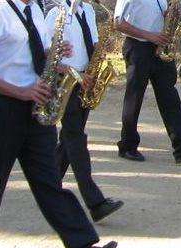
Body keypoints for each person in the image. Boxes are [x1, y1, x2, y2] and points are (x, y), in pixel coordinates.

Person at [0, 0, 117, 248]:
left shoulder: (35, 10)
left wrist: (55, 57)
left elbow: (35, 55)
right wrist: (19, 92)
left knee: (49, 180)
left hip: (36, 106)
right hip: (1, 109)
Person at [45, 0, 124, 222]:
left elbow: (92, 44)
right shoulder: (55, 13)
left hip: (87, 80)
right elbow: (45, 54)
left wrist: (104, 49)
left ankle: (49, 186)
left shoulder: (88, 10)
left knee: (70, 138)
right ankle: (95, 202)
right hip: (66, 80)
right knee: (75, 138)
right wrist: (69, 70)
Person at [113, 0, 181, 163]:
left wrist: (168, 17)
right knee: (134, 98)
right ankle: (128, 146)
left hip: (160, 47)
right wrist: (149, 35)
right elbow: (118, 23)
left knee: (170, 97)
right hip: (138, 47)